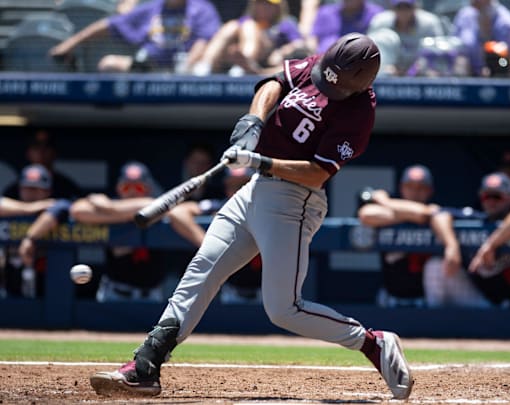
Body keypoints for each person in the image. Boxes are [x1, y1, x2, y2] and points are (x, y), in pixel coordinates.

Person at [89, 33, 413, 400]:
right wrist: (253, 121)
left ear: (363, 84)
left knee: (283, 309)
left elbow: (318, 172)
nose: (326, 85)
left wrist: (261, 160)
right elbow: (274, 84)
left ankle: (373, 344)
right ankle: (145, 365)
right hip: (255, 189)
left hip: (296, 199)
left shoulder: (359, 113)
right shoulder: (322, 64)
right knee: (202, 270)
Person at [424, 172, 510, 308]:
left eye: (497, 196)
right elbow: (440, 215)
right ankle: (435, 324)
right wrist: (451, 246)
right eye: (486, 196)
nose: (491, 201)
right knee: (435, 265)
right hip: (480, 299)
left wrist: (490, 246)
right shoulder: (476, 218)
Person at [357, 164, 459, 307]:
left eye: (421, 187)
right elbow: (366, 214)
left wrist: (386, 201)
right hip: (390, 298)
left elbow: (426, 213)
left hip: (425, 300)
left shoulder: (434, 213)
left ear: (429, 190)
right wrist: (408, 214)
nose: (415, 191)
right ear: (401, 187)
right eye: (410, 186)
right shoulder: (390, 213)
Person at [70, 161, 167, 302]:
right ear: (118, 188)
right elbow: (77, 210)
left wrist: (111, 209)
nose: (132, 191)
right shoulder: (109, 206)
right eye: (126, 187)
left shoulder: (157, 206)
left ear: (148, 189)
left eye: (139, 187)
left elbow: (156, 205)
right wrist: (122, 213)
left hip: (151, 295)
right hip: (114, 293)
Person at [167, 167, 262, 303]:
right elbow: (177, 213)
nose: (238, 190)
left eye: (243, 185)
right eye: (233, 185)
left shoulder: (269, 209)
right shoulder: (219, 206)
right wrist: (209, 246)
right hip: (230, 290)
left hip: (269, 289)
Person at [49, 0, 221, 73]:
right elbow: (108, 25)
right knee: (108, 64)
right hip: (150, 68)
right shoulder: (152, 8)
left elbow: (206, 42)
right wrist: (69, 44)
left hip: (187, 71)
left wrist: (185, 69)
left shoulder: (202, 9)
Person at [0, 164, 71, 299]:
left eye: (37, 189)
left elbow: (63, 206)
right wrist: (31, 207)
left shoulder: (57, 207)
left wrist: (29, 239)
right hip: (12, 291)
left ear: (47, 191)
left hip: (49, 294)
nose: (31, 193)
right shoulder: (13, 209)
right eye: (27, 188)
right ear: (20, 189)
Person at [191, 0, 308, 76]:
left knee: (249, 26)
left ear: (278, 7)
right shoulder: (245, 20)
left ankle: (242, 66)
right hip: (233, 56)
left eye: (268, 4)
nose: (264, 7)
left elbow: (300, 45)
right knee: (231, 26)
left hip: (264, 59)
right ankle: (205, 65)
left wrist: (282, 51)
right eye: (260, 3)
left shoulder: (286, 24)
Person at [367, 0, 445, 77]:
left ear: (415, 7)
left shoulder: (430, 23)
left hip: (421, 73)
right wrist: (384, 68)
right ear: (392, 8)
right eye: (399, 7)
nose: (403, 11)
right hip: (389, 74)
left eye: (407, 7)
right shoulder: (380, 22)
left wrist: (413, 70)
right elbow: (369, 52)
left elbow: (437, 53)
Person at [3, 130, 82, 200]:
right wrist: (34, 207)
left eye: (46, 145)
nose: (41, 151)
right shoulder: (14, 189)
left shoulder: (66, 187)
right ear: (28, 152)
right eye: (36, 145)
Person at [452, 0, 510, 77]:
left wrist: (486, 35)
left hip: (496, 75)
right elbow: (455, 47)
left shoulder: (506, 23)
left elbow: (507, 60)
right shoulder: (464, 15)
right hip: (467, 74)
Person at [307, 0, 383, 54]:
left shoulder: (376, 14)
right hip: (321, 60)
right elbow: (312, 40)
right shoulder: (325, 12)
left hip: (354, 66)